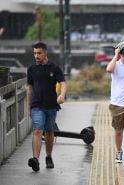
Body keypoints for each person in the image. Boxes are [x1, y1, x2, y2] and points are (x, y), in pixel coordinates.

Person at [27, 42, 67, 172]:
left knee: (49, 132)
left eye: (39, 53)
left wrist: (62, 95)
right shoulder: (31, 69)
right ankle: (35, 160)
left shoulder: (54, 68)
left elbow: (63, 82)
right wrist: (29, 107)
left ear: (45, 53)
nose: (36, 56)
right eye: (34, 53)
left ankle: (48, 156)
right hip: (36, 105)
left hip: (51, 105)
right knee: (37, 130)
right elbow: (30, 88)